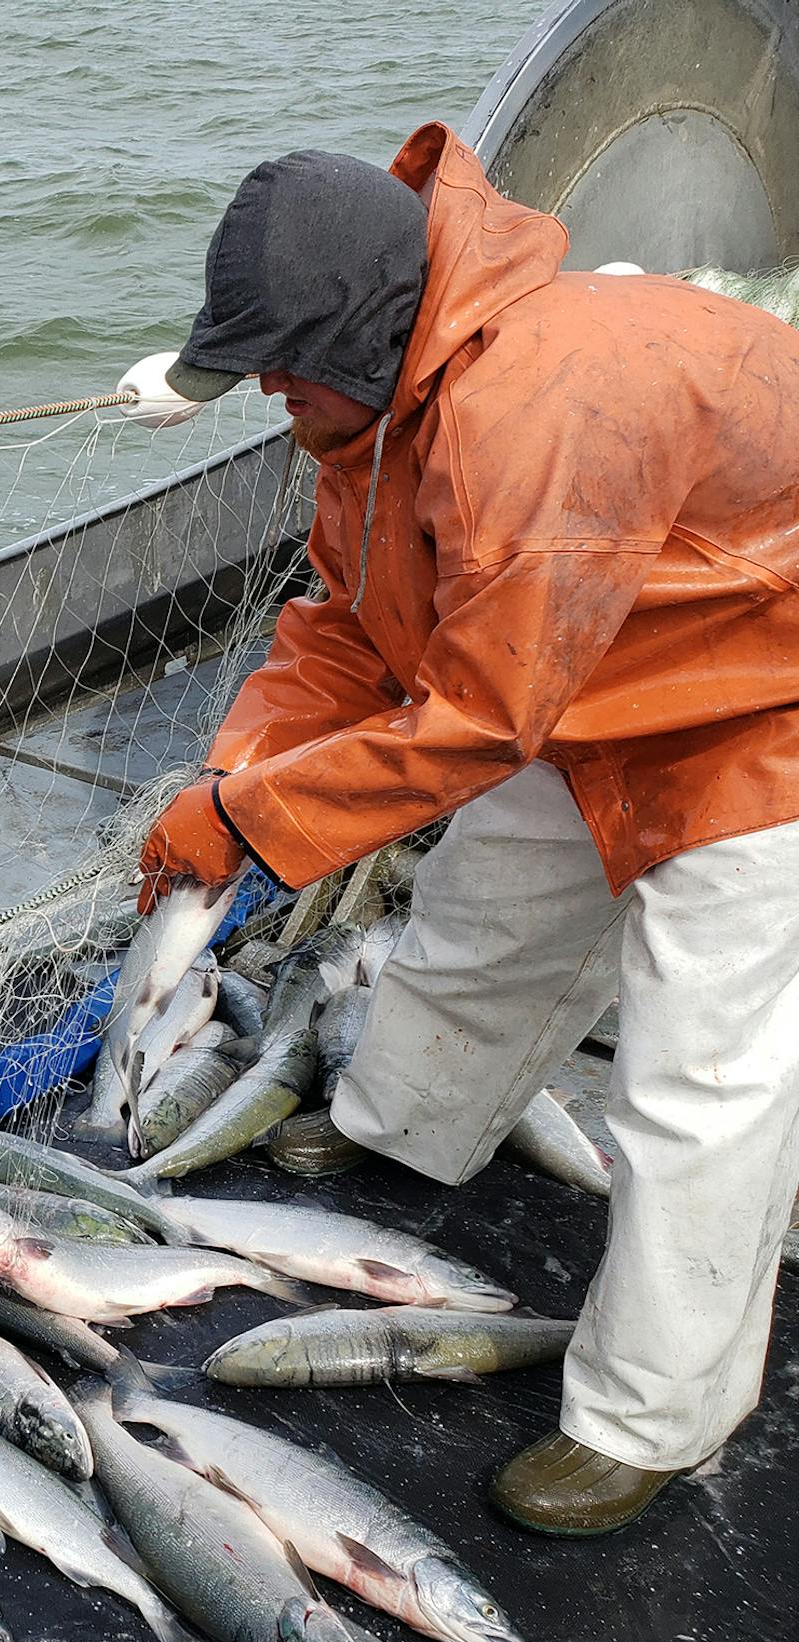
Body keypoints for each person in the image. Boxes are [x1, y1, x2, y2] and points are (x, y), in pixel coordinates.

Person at [139, 123, 799, 1537]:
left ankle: (650, 1420)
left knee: (701, 1078)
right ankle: (407, 1124)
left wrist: (251, 823)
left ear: (364, 335)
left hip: (766, 701)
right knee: (487, 911)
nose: (266, 393)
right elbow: (347, 626)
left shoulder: (537, 407)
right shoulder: (375, 405)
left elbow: (480, 719)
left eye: (282, 366)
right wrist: (236, 774)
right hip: (594, 671)